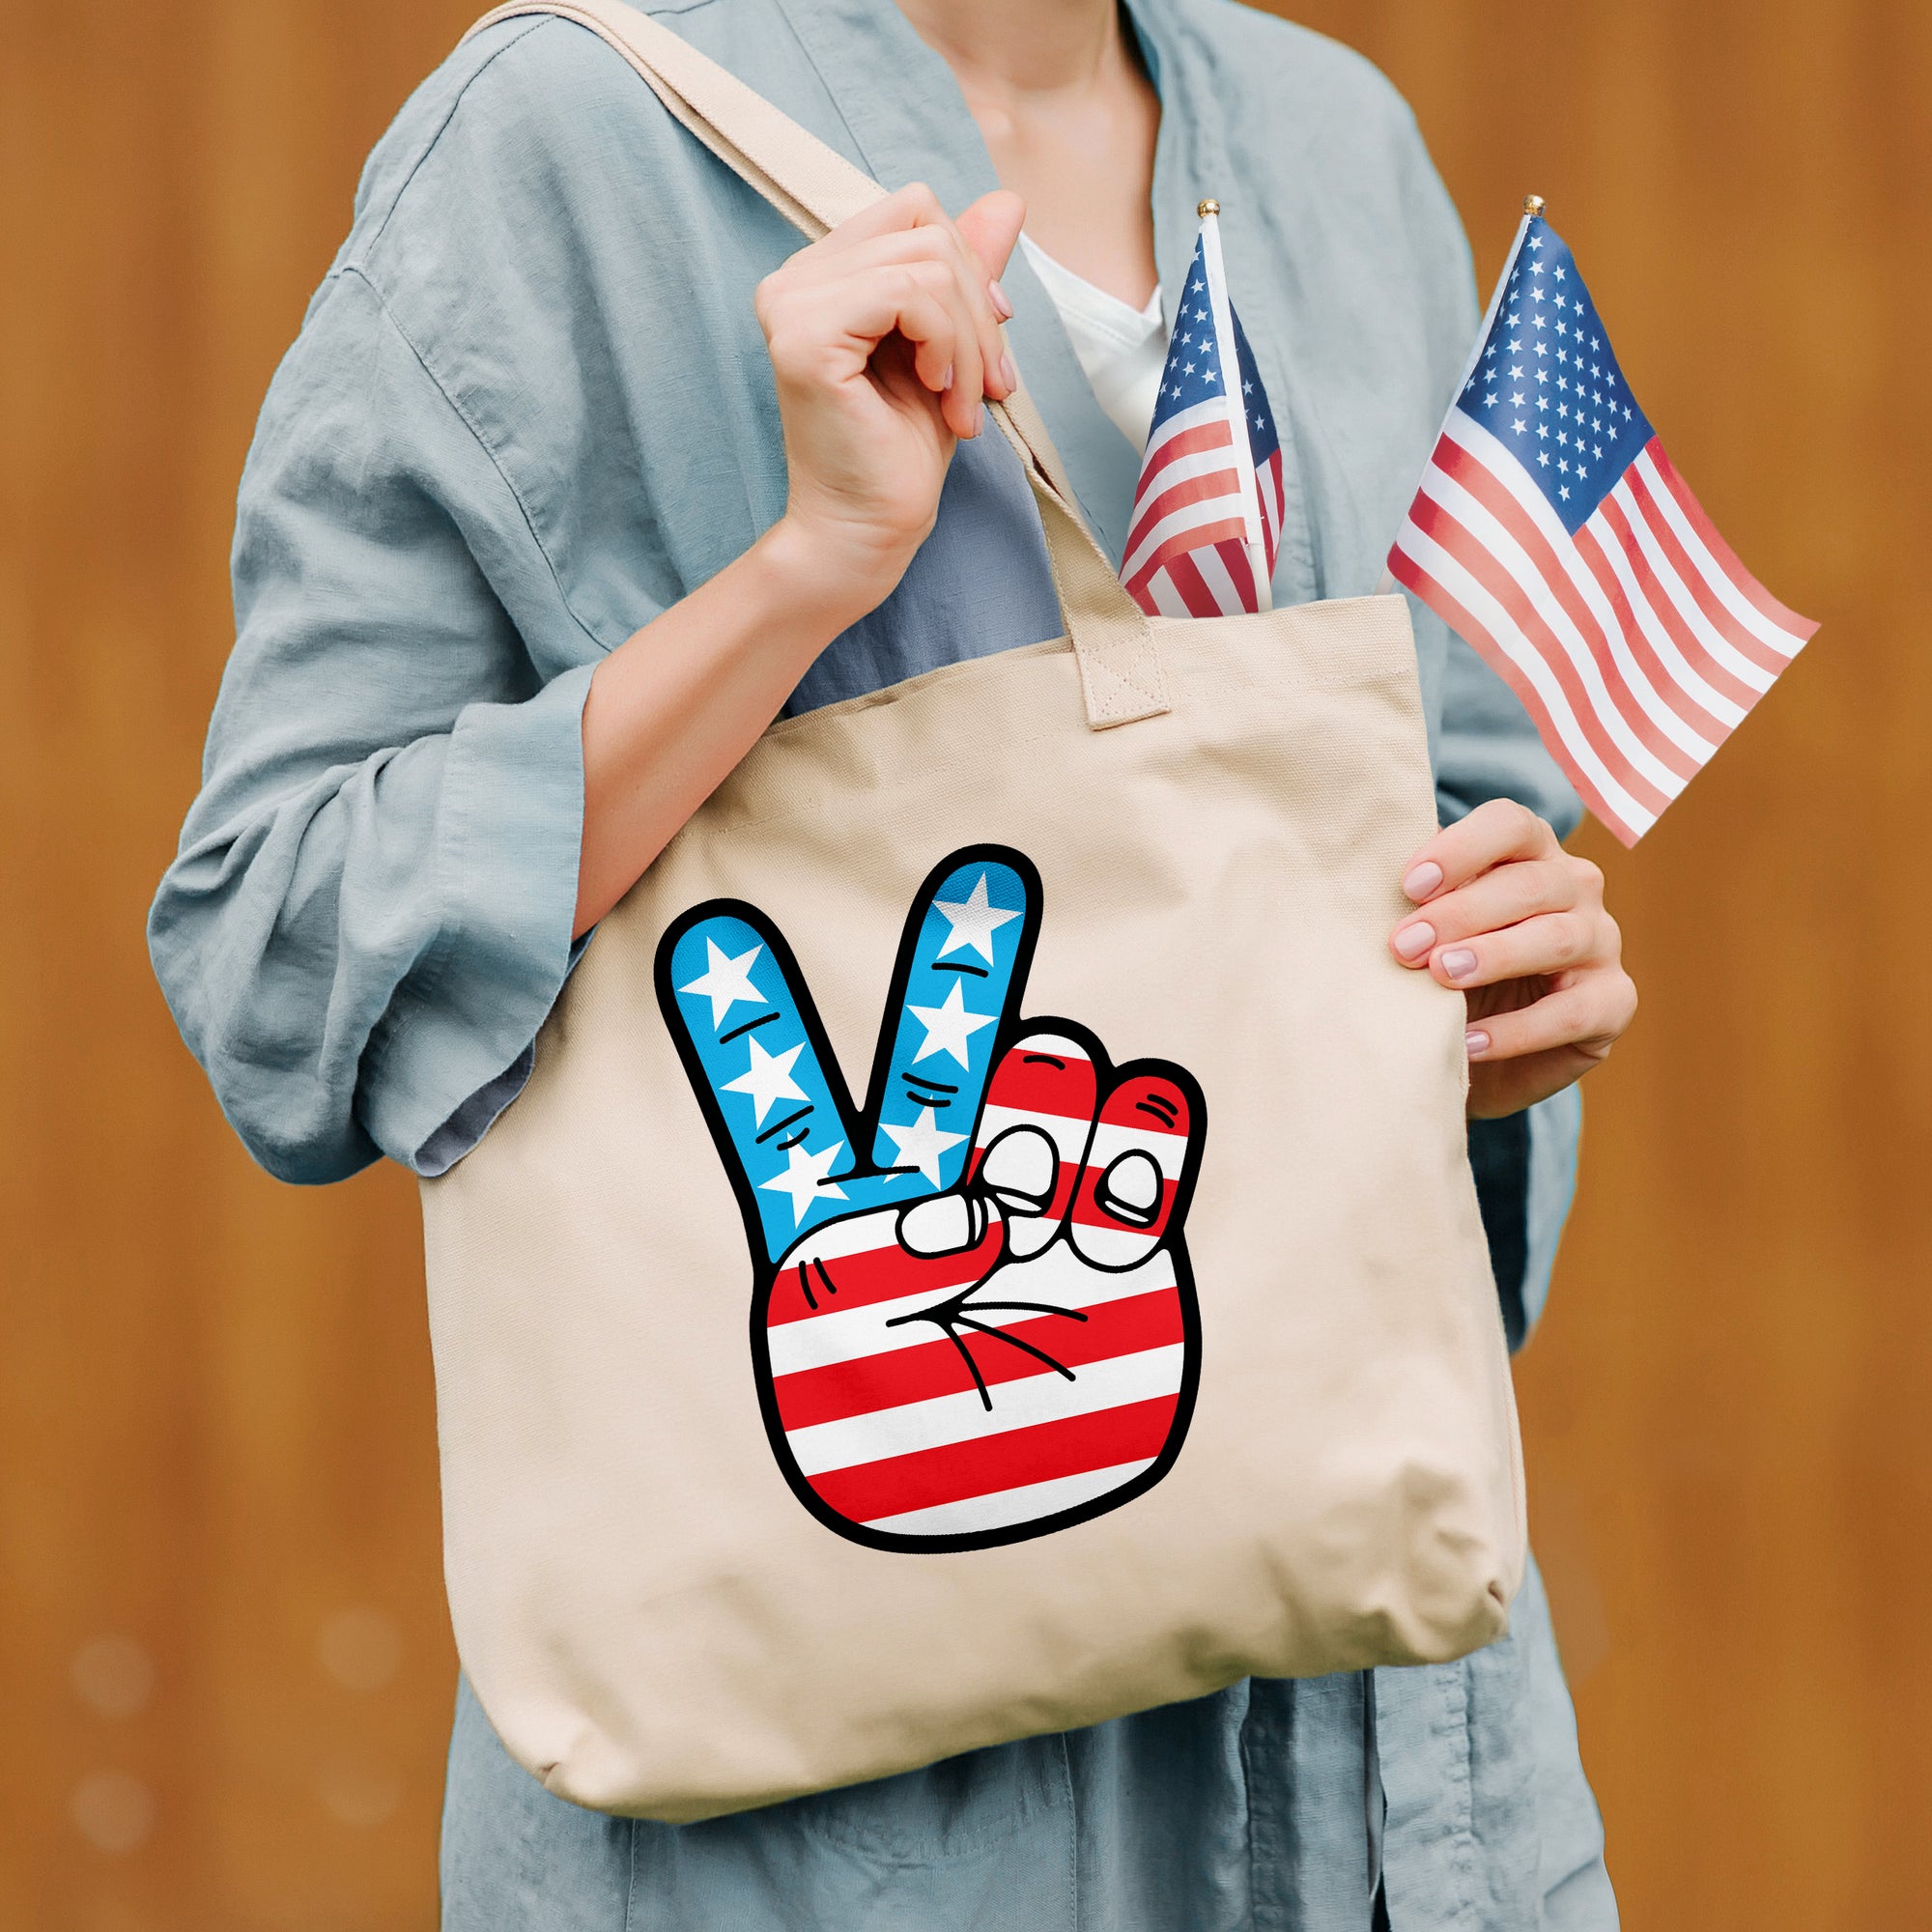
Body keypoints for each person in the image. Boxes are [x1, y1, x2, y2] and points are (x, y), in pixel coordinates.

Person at [150, 0, 1636, 1922]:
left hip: (1405, 1801)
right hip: (823, 1832)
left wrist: (1492, 999)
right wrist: (805, 575)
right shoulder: (557, 142)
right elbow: (279, 954)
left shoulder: (1334, 142)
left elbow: (1464, 812)